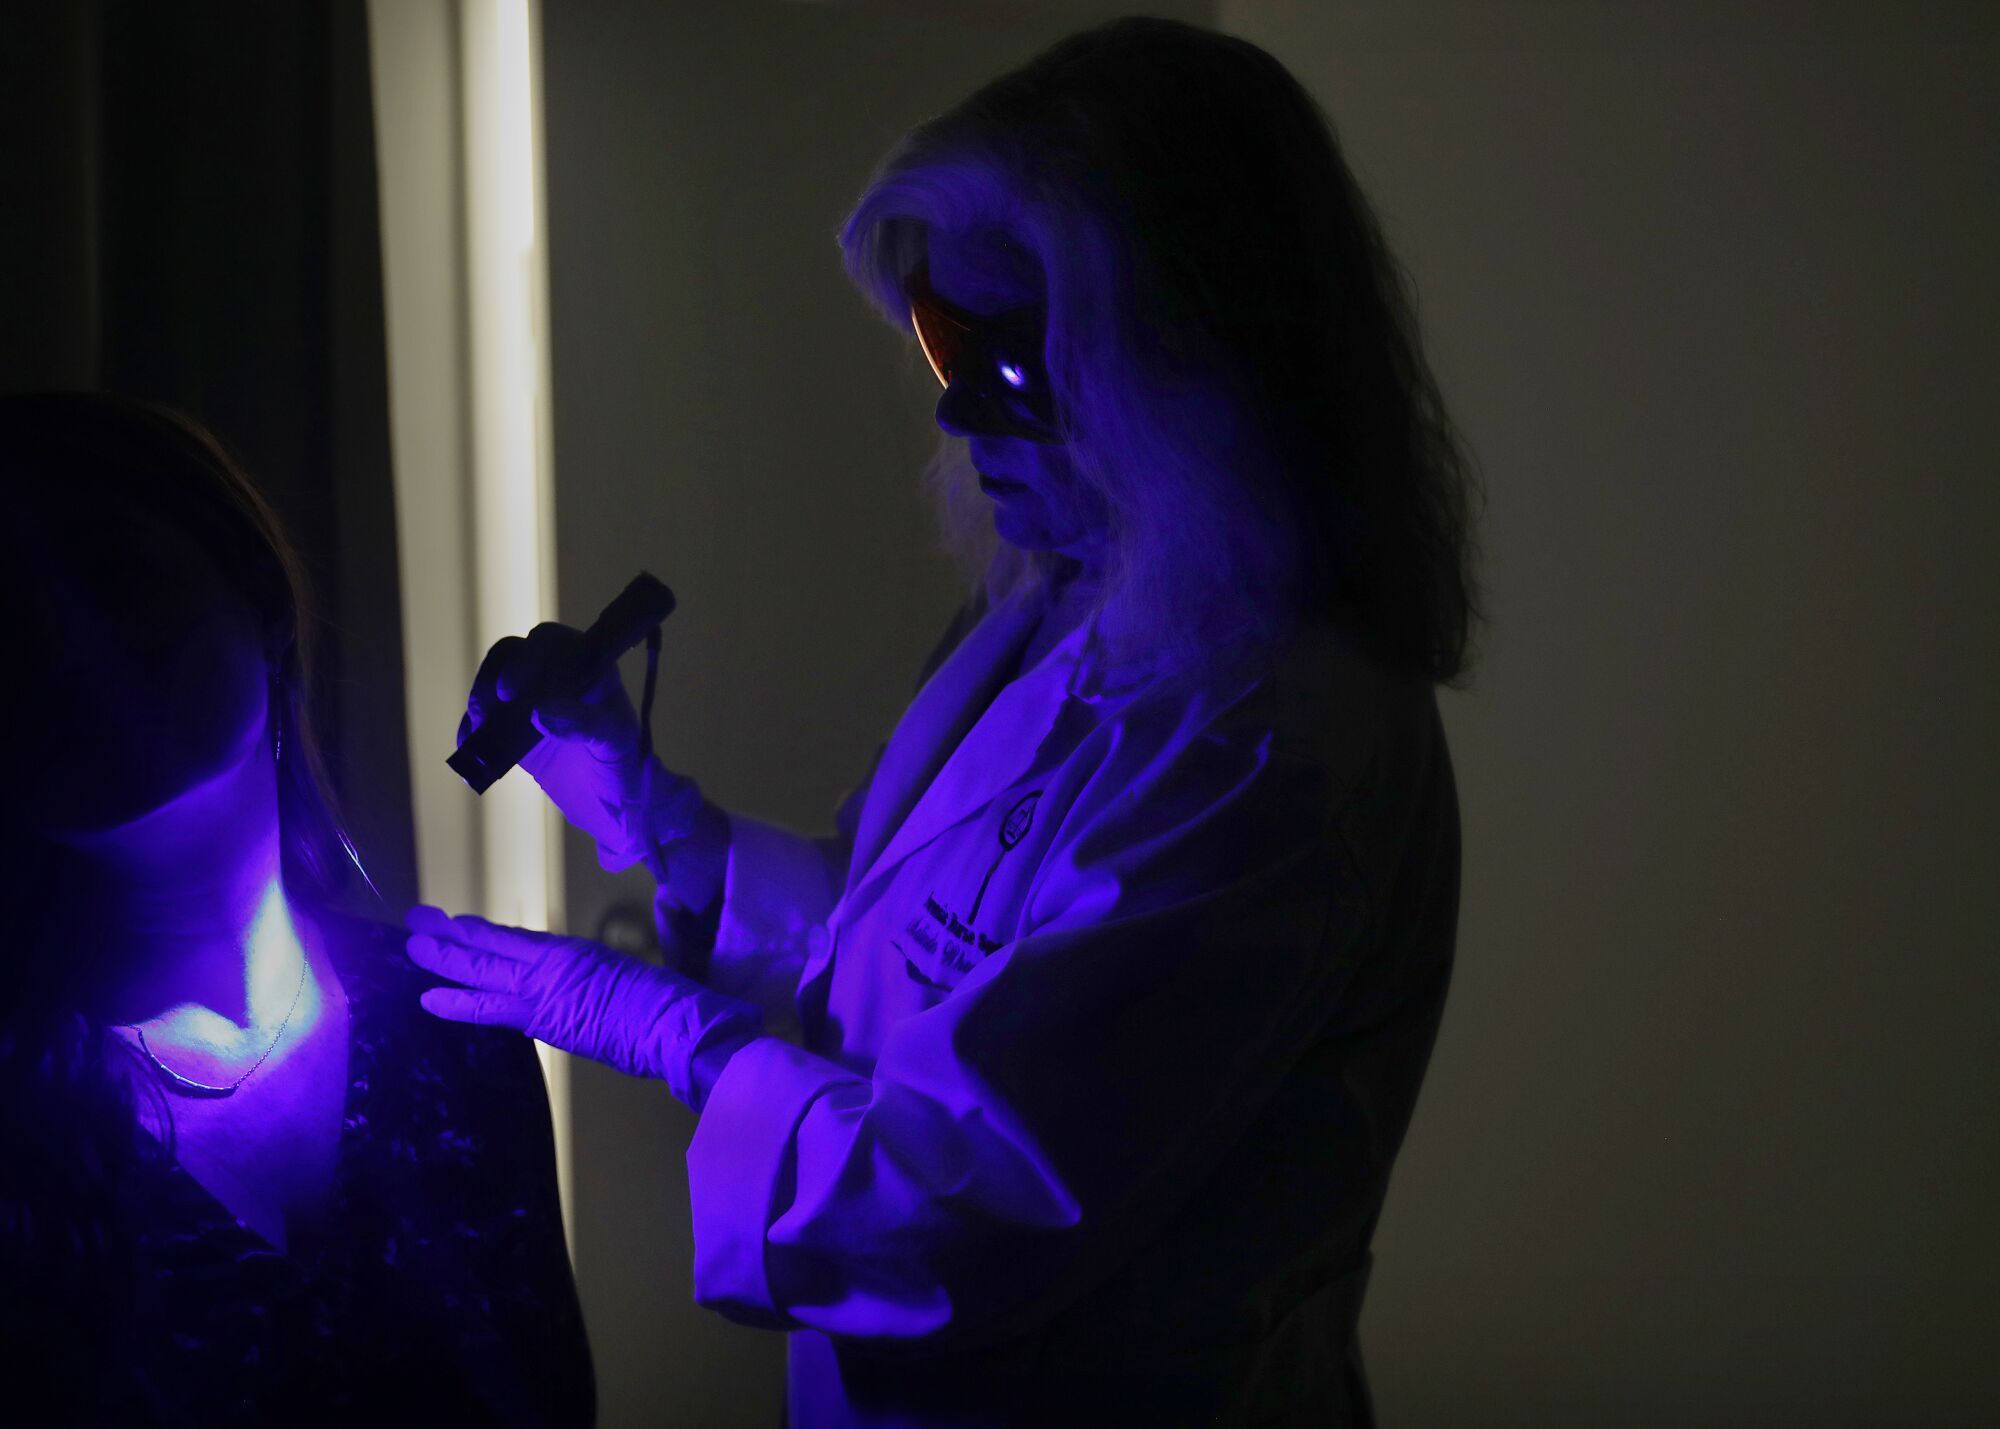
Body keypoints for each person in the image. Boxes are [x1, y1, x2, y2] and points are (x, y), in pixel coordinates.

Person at [410, 17, 1479, 1427]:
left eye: (1016, 360)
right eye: (940, 340)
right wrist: (650, 810)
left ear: (1197, 352)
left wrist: (672, 1035)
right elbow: (914, 955)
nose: (964, 412)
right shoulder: (1075, 602)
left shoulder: (1278, 745)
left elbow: (958, 1213)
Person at [0, 393, 594, 1427]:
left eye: (111, 577)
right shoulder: (21, 1110)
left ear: (258, 594)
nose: (67, 647)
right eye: (4, 624)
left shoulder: (456, 1032)